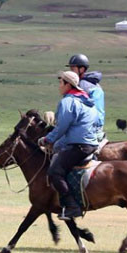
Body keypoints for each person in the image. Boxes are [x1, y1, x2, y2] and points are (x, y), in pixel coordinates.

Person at [39, 70, 99, 221]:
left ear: (68, 84)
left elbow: (62, 127)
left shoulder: (68, 102)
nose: (59, 86)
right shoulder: (88, 101)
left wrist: (47, 140)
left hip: (78, 146)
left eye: (60, 83)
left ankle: (72, 206)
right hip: (91, 144)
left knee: (54, 172)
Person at [68, 53, 105, 142]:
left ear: (82, 69)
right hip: (92, 126)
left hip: (88, 129)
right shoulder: (95, 85)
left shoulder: (82, 86)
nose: (70, 71)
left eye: (73, 69)